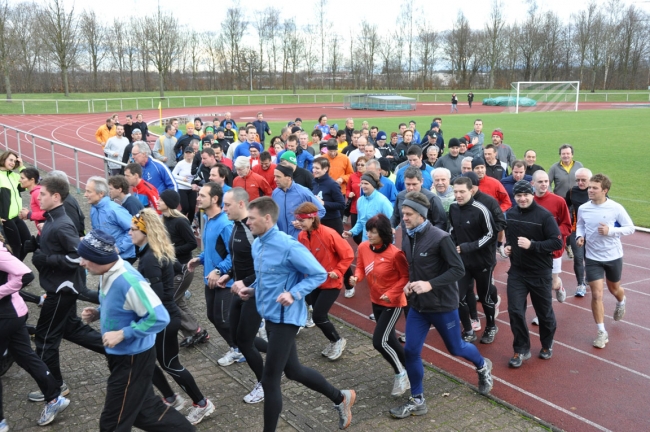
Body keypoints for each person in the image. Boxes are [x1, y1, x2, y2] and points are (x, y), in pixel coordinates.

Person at [236, 197, 356, 431]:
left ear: (267, 218)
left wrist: (294, 293)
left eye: (251, 218)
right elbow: (266, 280)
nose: (247, 222)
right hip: (270, 316)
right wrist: (251, 291)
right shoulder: (258, 245)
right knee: (293, 371)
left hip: (287, 318)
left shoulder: (289, 245)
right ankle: (341, 398)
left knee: (270, 380)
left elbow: (318, 274)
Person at [390, 191, 493, 419]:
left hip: (442, 306)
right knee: (411, 351)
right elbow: (411, 265)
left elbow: (458, 269)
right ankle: (417, 400)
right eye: (402, 213)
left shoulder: (440, 237)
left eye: (408, 214)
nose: (403, 218)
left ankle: (482, 366)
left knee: (456, 348)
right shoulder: (408, 236)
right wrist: (408, 283)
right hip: (418, 306)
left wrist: (429, 284)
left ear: (421, 214)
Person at [78, 230, 193, 432]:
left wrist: (123, 334)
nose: (81, 262)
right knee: (145, 413)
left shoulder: (128, 280)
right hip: (124, 357)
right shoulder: (107, 272)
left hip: (132, 359)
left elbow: (159, 317)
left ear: (100, 257)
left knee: (112, 423)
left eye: (86, 258)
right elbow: (122, 305)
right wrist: (98, 312)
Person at [129, 211, 215, 425]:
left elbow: (154, 298)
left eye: (133, 229)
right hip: (166, 316)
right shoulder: (158, 251)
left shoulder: (149, 259)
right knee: (148, 359)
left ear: (144, 231)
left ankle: (202, 403)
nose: (129, 233)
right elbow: (178, 268)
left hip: (164, 320)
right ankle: (170, 397)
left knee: (170, 364)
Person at [28, 176, 106, 402]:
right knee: (71, 330)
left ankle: (56, 387)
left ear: (55, 196)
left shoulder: (61, 223)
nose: (37, 197)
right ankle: (121, 352)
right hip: (60, 288)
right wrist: (37, 244)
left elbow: (78, 256)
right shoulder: (51, 220)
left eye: (42, 194)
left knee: (44, 340)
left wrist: (45, 257)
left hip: (61, 291)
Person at [0, 233, 71, 428]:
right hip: (13, 315)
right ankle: (54, 399)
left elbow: (25, 274)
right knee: (26, 357)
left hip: (7, 317)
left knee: (26, 357)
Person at [350, 214, 410, 396]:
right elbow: (360, 267)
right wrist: (356, 278)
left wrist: (390, 294)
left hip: (393, 303)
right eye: (368, 231)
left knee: (379, 341)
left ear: (383, 234)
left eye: (373, 232)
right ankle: (412, 367)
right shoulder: (363, 247)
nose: (369, 234)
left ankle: (401, 374)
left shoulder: (395, 254)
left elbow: (405, 277)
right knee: (390, 339)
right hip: (375, 300)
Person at [217, 188, 268, 404]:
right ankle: (280, 351)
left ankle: (264, 384)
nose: (224, 208)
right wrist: (228, 274)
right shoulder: (236, 226)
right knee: (237, 337)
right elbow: (240, 259)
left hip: (254, 292)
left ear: (240, 204)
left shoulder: (252, 229)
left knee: (245, 341)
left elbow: (265, 267)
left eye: (227, 205)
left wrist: (245, 282)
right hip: (239, 288)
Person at [504, 181, 562, 367]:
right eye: (518, 195)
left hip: (540, 273)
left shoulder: (544, 216)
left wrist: (533, 245)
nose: (522, 198)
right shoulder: (511, 215)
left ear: (532, 195)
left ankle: (546, 344)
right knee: (515, 311)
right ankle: (521, 349)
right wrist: (506, 248)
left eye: (525, 195)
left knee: (544, 313)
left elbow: (556, 243)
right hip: (517, 273)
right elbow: (510, 240)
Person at [576, 174, 634, 349]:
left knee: (614, 288)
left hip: (613, 256)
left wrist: (610, 231)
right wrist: (580, 236)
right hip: (593, 257)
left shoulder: (615, 208)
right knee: (596, 294)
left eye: (594, 188)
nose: (590, 190)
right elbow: (580, 224)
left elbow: (630, 228)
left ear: (605, 190)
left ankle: (621, 301)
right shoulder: (584, 208)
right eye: (590, 187)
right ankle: (601, 332)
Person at [187, 183, 241, 366]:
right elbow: (212, 249)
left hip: (225, 281)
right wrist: (200, 259)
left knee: (223, 319)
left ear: (215, 199)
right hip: (210, 278)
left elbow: (233, 255)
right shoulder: (208, 219)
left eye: (202, 195)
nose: (198, 198)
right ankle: (237, 346)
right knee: (212, 315)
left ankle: (239, 348)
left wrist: (219, 271)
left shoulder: (225, 224)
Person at [296, 203, 354, 360]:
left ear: (312, 218)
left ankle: (337, 340)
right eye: (298, 220)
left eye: (302, 220)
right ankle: (333, 340)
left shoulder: (329, 234)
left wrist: (337, 271)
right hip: (314, 282)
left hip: (331, 282)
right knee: (317, 313)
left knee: (319, 316)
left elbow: (348, 254)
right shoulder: (302, 236)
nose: (299, 223)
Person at [449, 177, 499, 344]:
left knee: (484, 297)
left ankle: (491, 326)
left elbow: (491, 235)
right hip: (463, 262)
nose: (458, 195)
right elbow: (454, 231)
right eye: (455, 191)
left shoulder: (481, 210)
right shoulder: (453, 208)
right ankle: (469, 329)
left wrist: (467, 247)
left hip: (483, 261)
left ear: (471, 190)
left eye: (462, 191)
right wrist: (454, 246)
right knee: (459, 297)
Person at [532, 170, 572, 305]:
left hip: (554, 250)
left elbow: (567, 225)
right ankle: (542, 314)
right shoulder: (528, 201)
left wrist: (552, 235)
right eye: (540, 182)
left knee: (552, 283)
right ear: (533, 183)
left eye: (546, 181)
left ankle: (559, 285)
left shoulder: (559, 201)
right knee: (540, 283)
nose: (544, 184)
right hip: (535, 249)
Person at [85, 176, 136, 262]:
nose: (85, 194)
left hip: (123, 258)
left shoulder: (114, 210)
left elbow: (133, 230)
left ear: (101, 193)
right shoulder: (94, 209)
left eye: (88, 191)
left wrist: (118, 249)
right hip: (106, 257)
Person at [272, 165, 325, 239]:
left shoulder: (303, 192)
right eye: (274, 176)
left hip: (299, 240)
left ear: (289, 178)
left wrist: (304, 222)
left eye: (278, 177)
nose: (275, 179)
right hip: (281, 240)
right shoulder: (275, 193)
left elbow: (321, 211)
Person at [391, 167, 447, 232]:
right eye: (408, 184)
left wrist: (431, 236)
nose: (411, 188)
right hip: (406, 237)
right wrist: (391, 226)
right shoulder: (400, 196)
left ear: (421, 181)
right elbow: (395, 216)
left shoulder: (432, 198)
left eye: (414, 184)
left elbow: (441, 223)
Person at [344, 171, 393, 243]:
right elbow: (360, 222)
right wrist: (351, 232)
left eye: (366, 183)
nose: (363, 186)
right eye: (362, 183)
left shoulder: (383, 201)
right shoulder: (360, 201)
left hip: (381, 243)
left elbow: (392, 223)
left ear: (373, 185)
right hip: (366, 242)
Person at [565, 167, 592, 297]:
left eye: (583, 180)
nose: (580, 182)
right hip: (576, 230)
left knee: (589, 258)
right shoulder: (571, 192)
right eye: (578, 180)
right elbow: (564, 206)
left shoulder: (596, 191)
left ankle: (589, 278)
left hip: (593, 232)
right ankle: (580, 284)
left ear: (590, 180)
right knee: (578, 258)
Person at [0, 151, 30, 260]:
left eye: (14, 161)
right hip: (6, 219)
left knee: (28, 242)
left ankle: (16, 268)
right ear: (4, 159)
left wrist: (21, 166)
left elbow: (30, 181)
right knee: (15, 246)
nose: (13, 163)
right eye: (10, 160)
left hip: (16, 216)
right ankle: (14, 272)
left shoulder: (15, 176)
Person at [312, 157, 346, 234]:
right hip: (318, 220)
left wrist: (324, 203)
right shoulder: (313, 182)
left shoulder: (332, 185)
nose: (314, 170)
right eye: (313, 167)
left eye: (317, 168)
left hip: (331, 221)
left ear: (326, 169)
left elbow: (341, 204)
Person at [172, 147, 198, 222]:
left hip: (192, 188)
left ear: (194, 154)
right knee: (186, 208)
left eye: (190, 153)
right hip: (182, 188)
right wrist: (181, 178)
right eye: (186, 153)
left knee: (192, 208)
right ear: (184, 154)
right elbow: (173, 174)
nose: (188, 154)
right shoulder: (180, 164)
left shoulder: (196, 163)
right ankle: (178, 221)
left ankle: (190, 223)